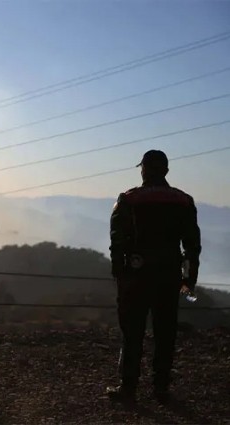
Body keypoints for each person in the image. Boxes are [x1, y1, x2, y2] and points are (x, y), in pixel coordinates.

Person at [107, 149, 201, 403]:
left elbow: (117, 240)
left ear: (143, 170)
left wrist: (119, 274)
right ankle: (161, 387)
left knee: (133, 332)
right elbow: (192, 245)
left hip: (136, 276)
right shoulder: (183, 200)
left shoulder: (129, 199)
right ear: (166, 171)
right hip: (169, 275)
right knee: (165, 332)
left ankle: (128, 388)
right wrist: (188, 280)